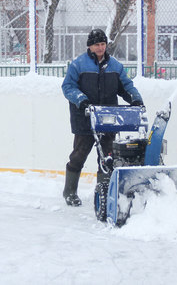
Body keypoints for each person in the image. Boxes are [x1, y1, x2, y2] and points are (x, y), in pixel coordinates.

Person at [61, 28, 143, 206]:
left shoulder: (115, 66)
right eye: (96, 44)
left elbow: (126, 86)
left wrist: (135, 99)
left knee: (107, 157)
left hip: (108, 118)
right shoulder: (78, 65)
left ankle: (103, 193)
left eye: (103, 44)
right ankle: (69, 191)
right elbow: (68, 87)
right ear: (89, 46)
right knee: (79, 155)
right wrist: (81, 100)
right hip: (84, 118)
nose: (100, 47)